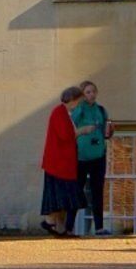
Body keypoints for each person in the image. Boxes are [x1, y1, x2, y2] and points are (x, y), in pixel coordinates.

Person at [39, 85, 85, 237]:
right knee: (59, 198)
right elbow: (65, 135)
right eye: (78, 101)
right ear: (72, 99)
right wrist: (81, 131)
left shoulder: (64, 113)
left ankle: (60, 228)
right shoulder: (59, 112)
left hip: (64, 164)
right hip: (58, 164)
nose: (79, 104)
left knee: (64, 200)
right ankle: (51, 222)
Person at [70, 80, 112, 236]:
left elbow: (105, 132)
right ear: (82, 95)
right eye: (88, 92)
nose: (91, 95)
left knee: (97, 191)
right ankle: (68, 227)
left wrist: (109, 132)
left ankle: (99, 227)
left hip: (98, 156)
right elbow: (71, 129)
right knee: (76, 190)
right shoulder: (78, 109)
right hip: (81, 157)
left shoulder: (101, 110)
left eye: (93, 91)